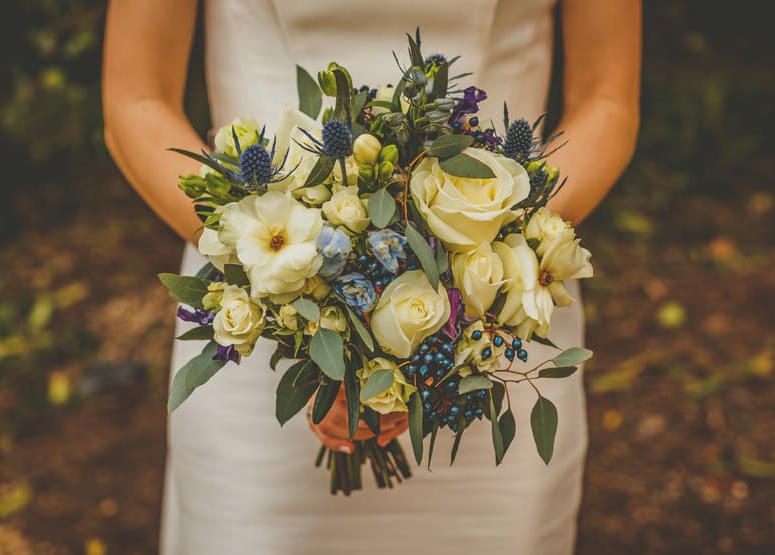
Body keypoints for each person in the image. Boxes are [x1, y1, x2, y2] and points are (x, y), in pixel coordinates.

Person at [102, 1, 640, 553]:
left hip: (493, 327)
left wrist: (480, 269)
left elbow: (607, 101)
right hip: (264, 326)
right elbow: (136, 99)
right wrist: (271, 270)